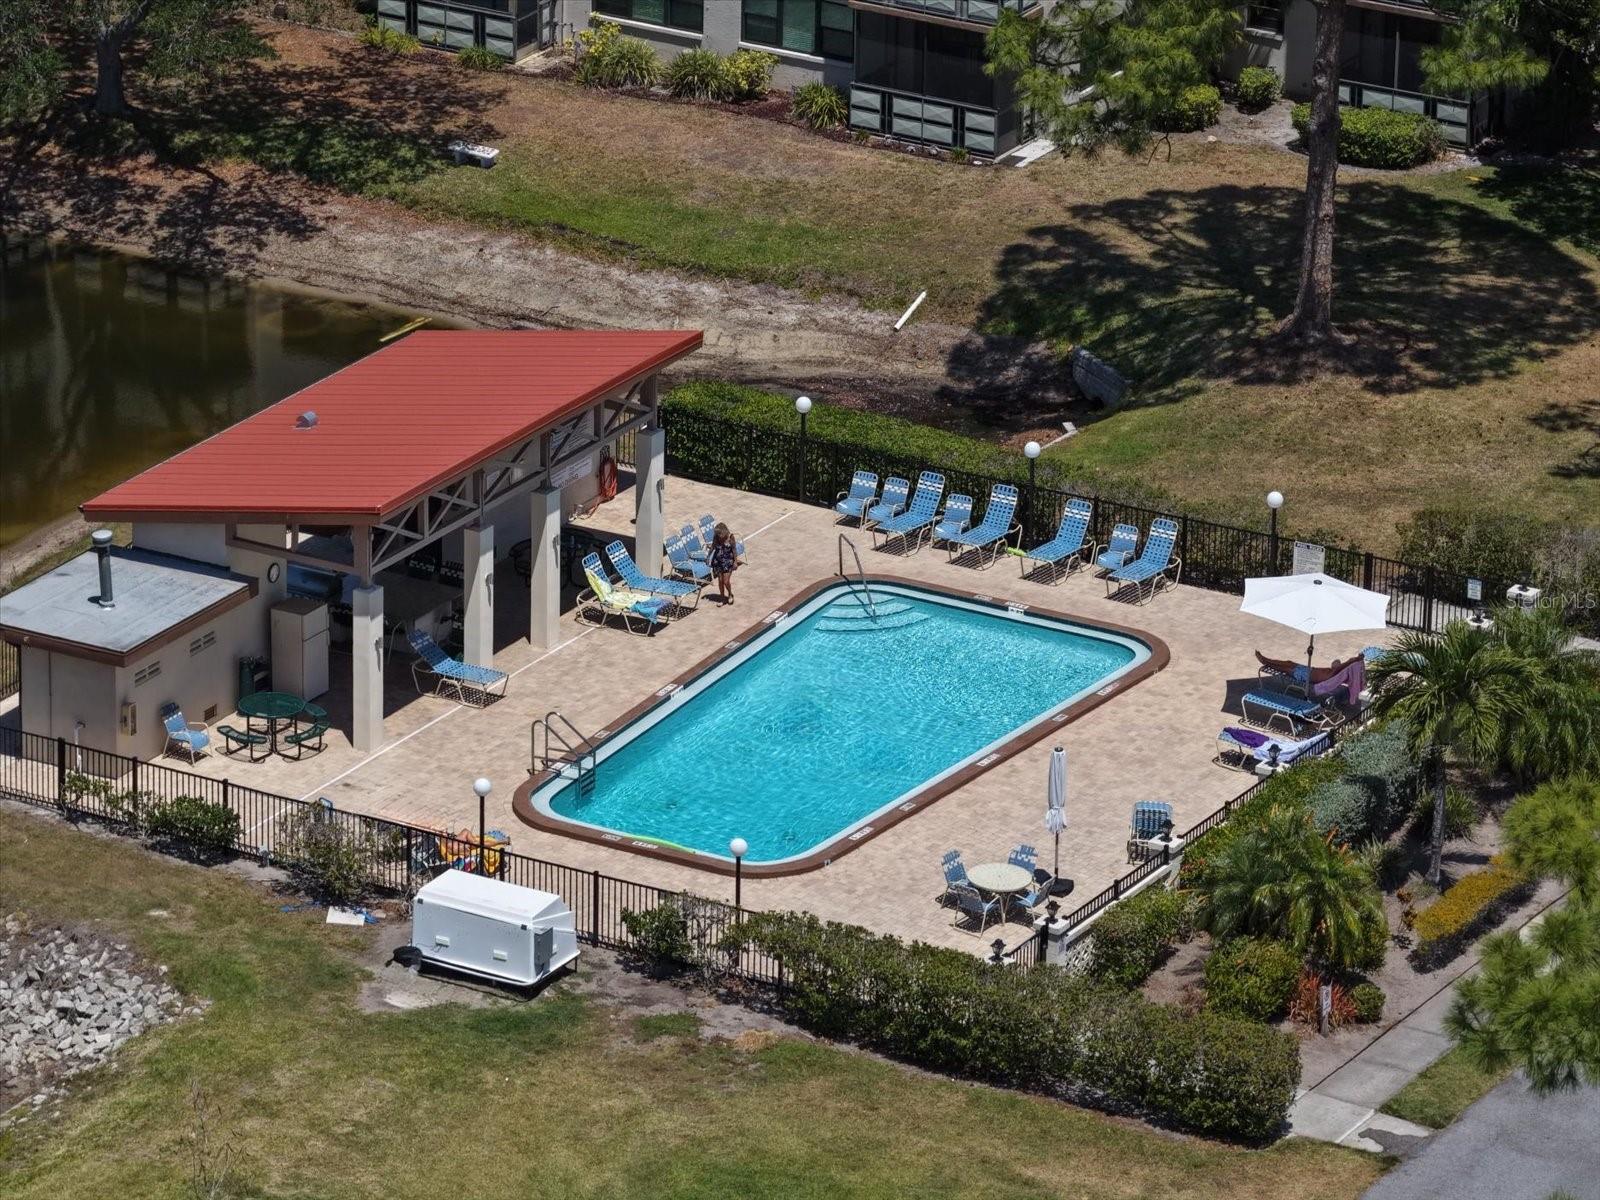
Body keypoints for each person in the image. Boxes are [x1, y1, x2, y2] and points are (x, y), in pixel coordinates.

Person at [709, 522, 739, 605]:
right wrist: (708, 557)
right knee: (720, 581)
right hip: (718, 561)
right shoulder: (716, 537)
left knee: (726, 581)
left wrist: (735, 562)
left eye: (719, 533)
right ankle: (722, 598)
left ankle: (730, 594)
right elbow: (713, 546)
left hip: (728, 561)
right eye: (717, 533)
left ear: (724, 531)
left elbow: (734, 550)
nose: (718, 535)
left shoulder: (731, 537)